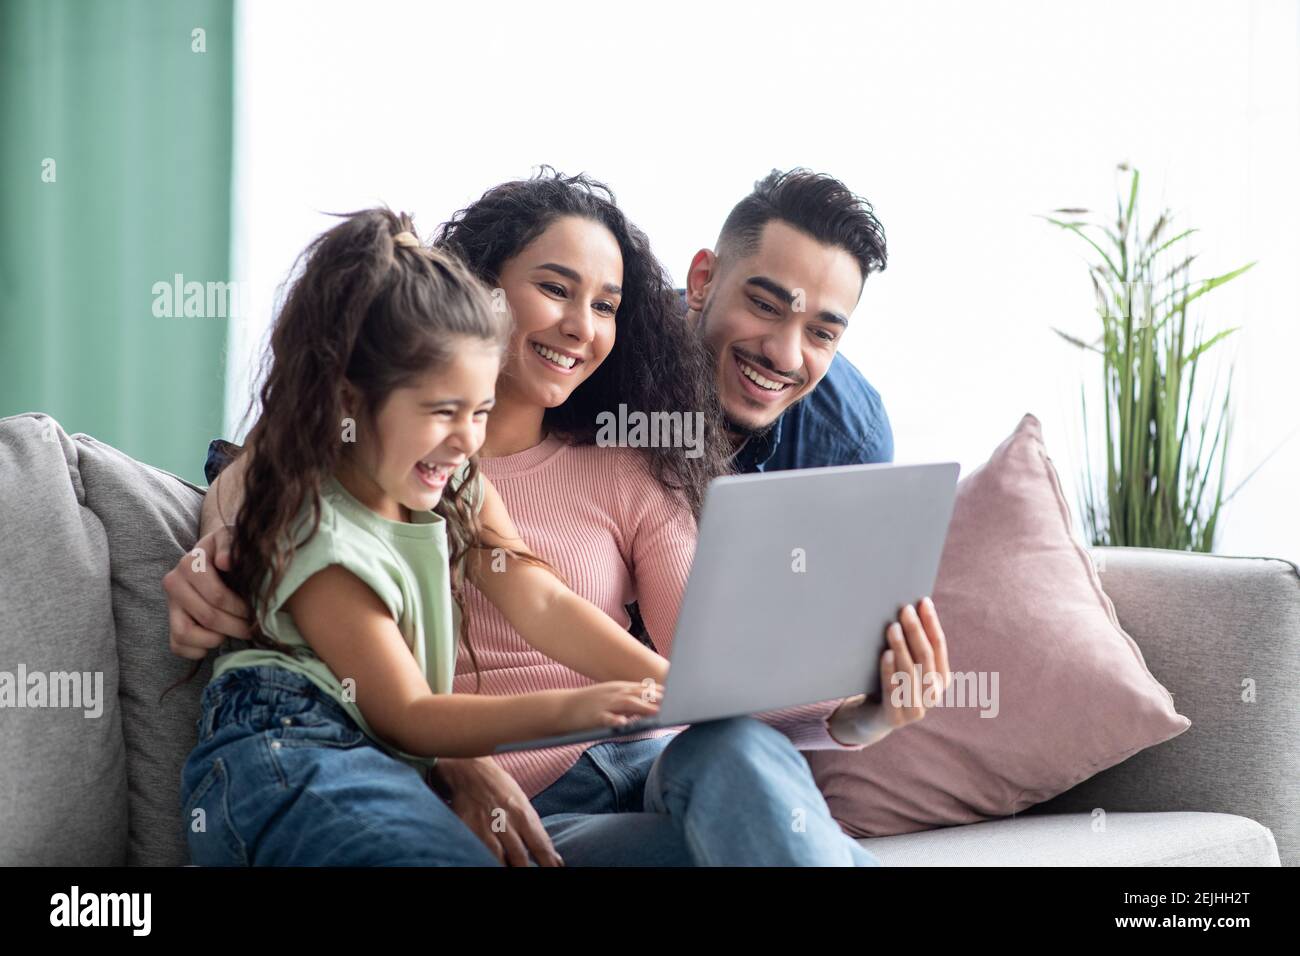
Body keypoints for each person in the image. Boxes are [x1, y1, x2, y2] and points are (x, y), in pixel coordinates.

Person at [169, 169, 951, 866]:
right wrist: (220, 533)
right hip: (534, 808)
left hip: (654, 766)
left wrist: (863, 711)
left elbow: (697, 671)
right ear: (476, 288)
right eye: (554, 289)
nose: (581, 326)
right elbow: (274, 478)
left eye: (606, 305)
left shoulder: (627, 464)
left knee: (738, 749)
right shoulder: (379, 465)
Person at [179, 208, 672, 865]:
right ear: (351, 401)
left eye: (481, 411)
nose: (469, 440)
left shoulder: (458, 487)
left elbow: (544, 603)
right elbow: (409, 713)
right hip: (287, 755)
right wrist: (582, 708)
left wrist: (671, 686)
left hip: (385, 762)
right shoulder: (320, 537)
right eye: (444, 411)